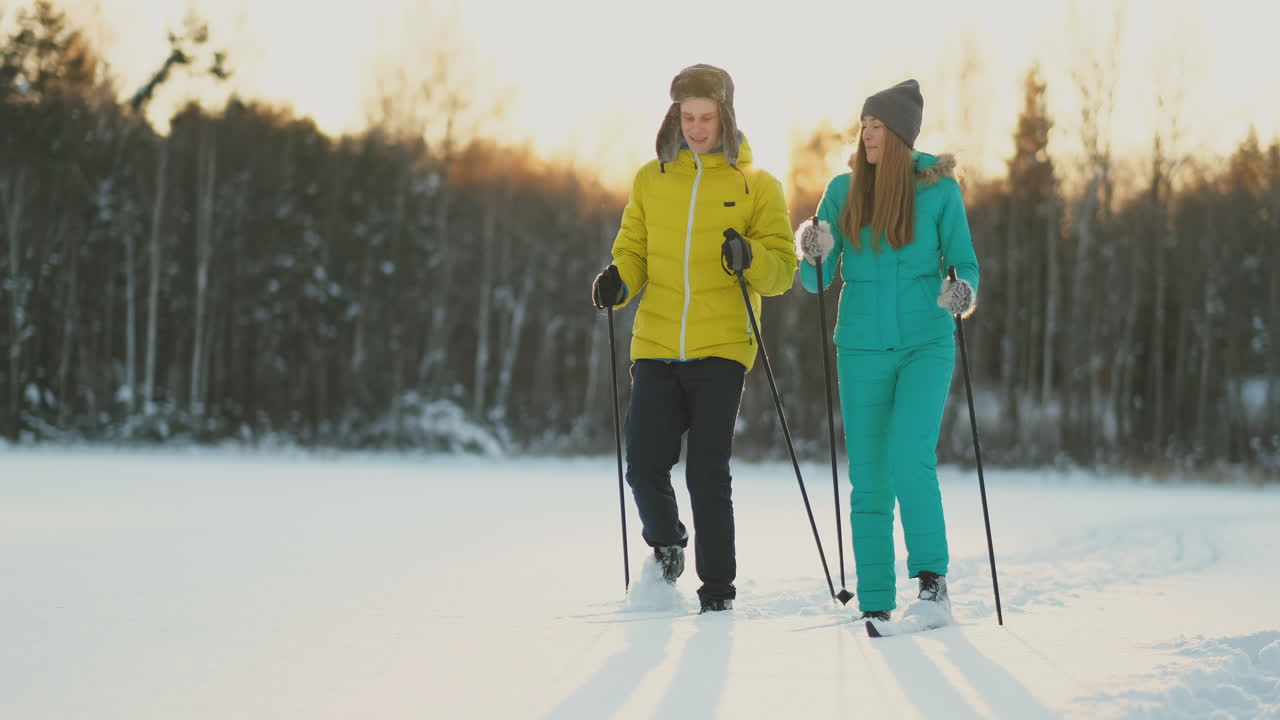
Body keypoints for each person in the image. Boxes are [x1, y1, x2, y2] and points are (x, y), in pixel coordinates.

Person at [590, 64, 797, 613]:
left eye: (707, 117)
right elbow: (632, 249)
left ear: (725, 116)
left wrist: (749, 257)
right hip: (656, 343)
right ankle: (667, 543)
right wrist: (619, 281)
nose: (698, 128)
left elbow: (782, 271)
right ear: (674, 117)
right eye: (688, 117)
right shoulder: (651, 179)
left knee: (707, 471)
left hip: (723, 348)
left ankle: (718, 593)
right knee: (643, 465)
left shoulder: (758, 185)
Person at [795, 79, 979, 627]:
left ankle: (931, 580)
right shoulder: (844, 190)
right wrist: (813, 249)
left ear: (899, 135)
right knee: (869, 475)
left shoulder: (940, 192)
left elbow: (965, 263)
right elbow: (813, 281)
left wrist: (960, 293)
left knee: (908, 455)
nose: (867, 134)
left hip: (926, 342)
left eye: (877, 126)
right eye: (864, 125)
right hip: (860, 347)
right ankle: (874, 598)